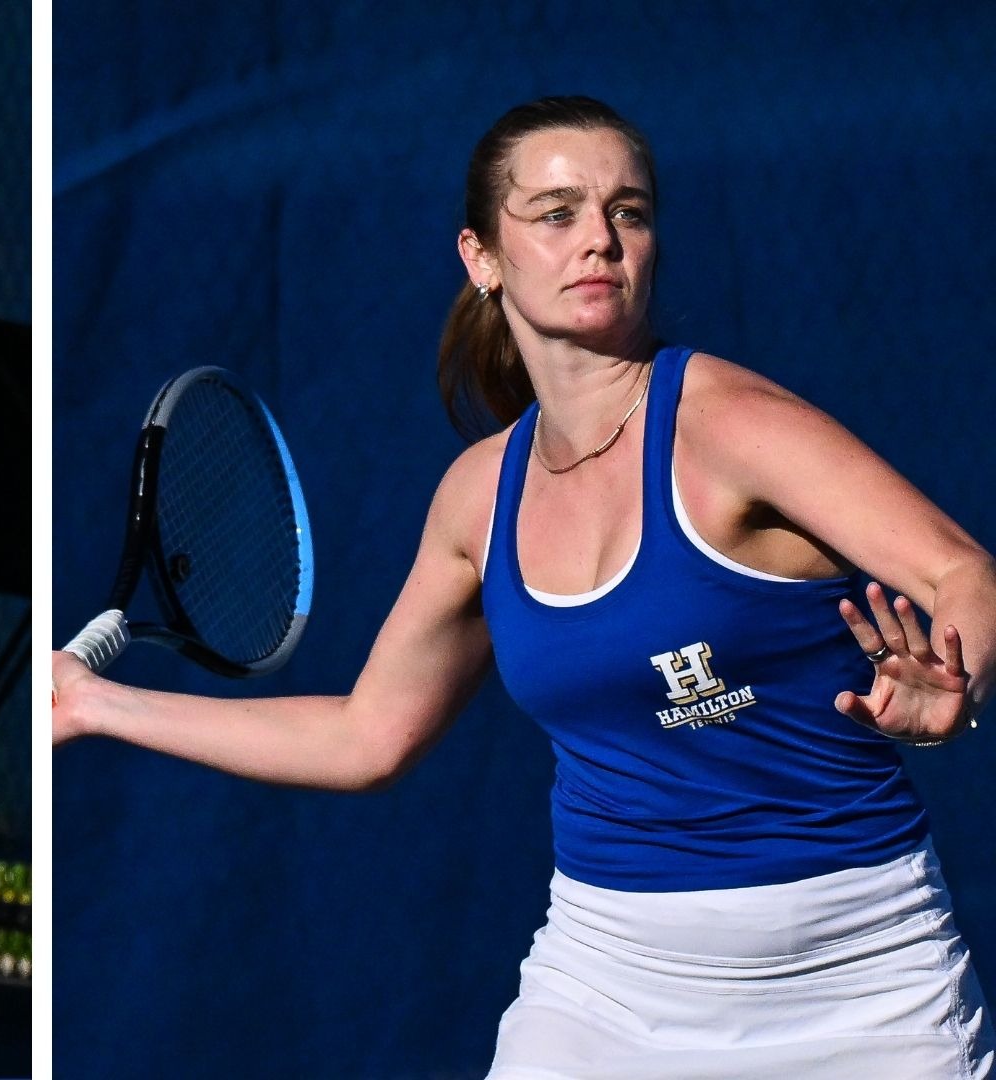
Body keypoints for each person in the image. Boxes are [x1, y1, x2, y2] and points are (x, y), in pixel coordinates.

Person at [52, 96, 996, 1078]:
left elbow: (964, 572)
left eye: (627, 212)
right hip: (606, 981)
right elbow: (366, 736)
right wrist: (95, 703)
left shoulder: (736, 427)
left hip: (859, 979)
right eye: (556, 213)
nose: (598, 238)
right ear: (482, 256)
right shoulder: (476, 499)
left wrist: (958, 681)